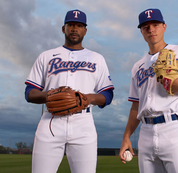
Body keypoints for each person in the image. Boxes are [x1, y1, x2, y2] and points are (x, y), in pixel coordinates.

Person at [119, 8, 178, 173]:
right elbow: (135, 105)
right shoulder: (137, 66)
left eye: (155, 24)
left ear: (164, 27)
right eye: (146, 26)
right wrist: (126, 136)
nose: (151, 29)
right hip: (145, 133)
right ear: (141, 31)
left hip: (175, 128)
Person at [25, 9, 114, 173]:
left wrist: (87, 98)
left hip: (83, 123)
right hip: (51, 122)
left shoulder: (96, 58)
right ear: (63, 28)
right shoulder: (46, 56)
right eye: (71, 25)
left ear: (85, 31)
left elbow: (107, 95)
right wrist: (51, 95)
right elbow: (29, 93)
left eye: (79, 25)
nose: (74, 29)